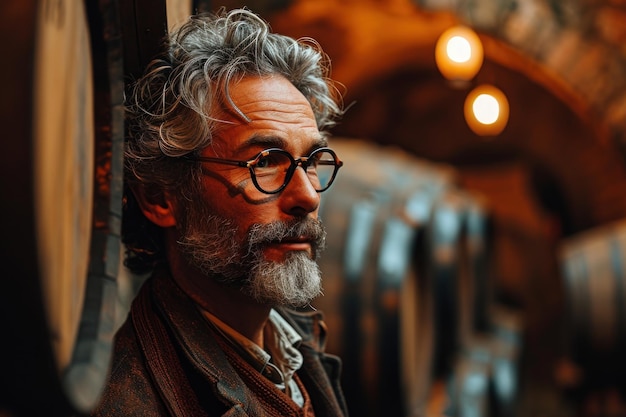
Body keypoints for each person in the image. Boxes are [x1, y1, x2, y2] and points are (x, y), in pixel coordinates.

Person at [92, 7, 348, 417]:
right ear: (161, 198)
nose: (308, 196)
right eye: (265, 160)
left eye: (313, 160)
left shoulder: (296, 339)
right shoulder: (129, 402)